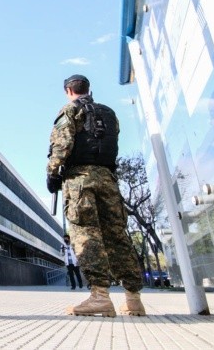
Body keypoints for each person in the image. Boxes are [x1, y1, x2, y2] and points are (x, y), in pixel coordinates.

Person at [46, 74, 146, 317]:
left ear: (68, 90)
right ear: (88, 89)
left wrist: (52, 174)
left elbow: (62, 145)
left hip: (80, 181)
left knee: (86, 234)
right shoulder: (109, 113)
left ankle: (100, 296)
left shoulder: (70, 111)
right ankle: (133, 299)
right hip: (108, 179)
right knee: (116, 236)